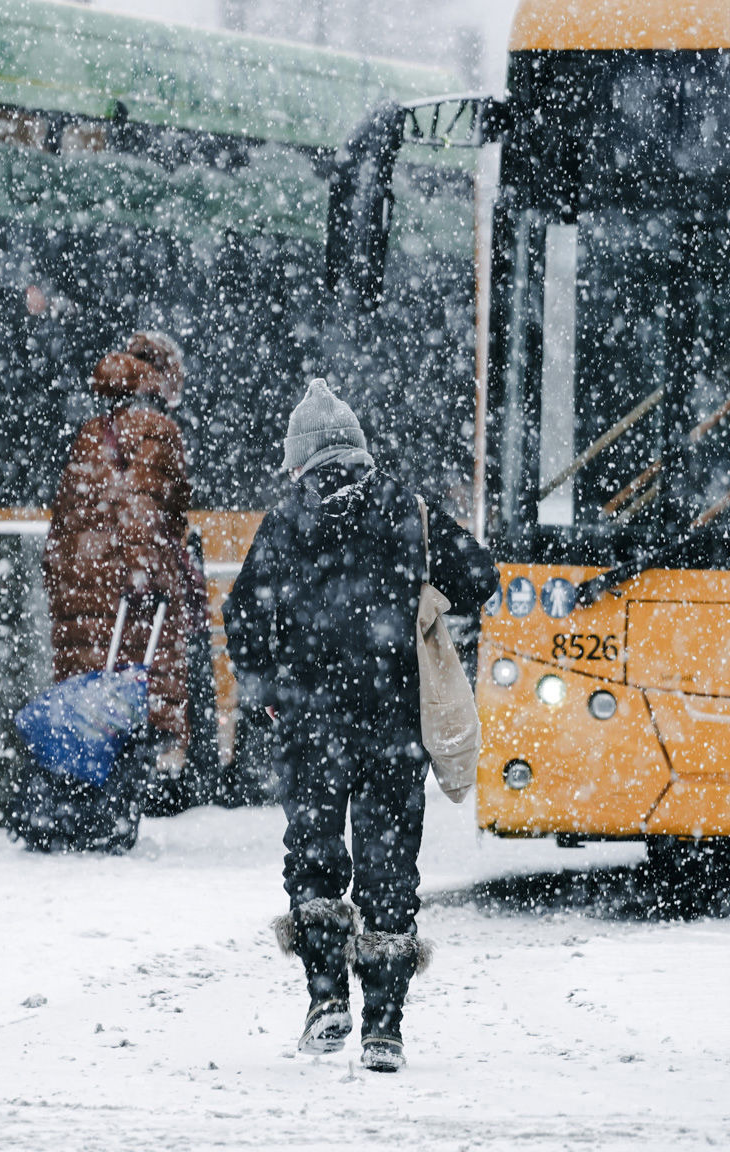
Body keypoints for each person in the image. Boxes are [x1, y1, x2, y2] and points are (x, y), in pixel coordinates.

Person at [223, 379, 497, 1072]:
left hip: (311, 724)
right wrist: (425, 592)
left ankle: (326, 1002)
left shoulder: (287, 517)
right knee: (389, 870)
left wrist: (266, 694)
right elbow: (481, 578)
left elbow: (242, 613)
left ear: (302, 458)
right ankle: (386, 1029)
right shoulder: (411, 507)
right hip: (393, 724)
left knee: (314, 860)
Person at [33, 331, 205, 852]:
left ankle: (81, 809)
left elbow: (70, 516)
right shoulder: (157, 432)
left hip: (81, 586)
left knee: (93, 704)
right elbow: (145, 510)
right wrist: (147, 575)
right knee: (130, 703)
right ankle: (112, 820)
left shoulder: (92, 431)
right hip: (125, 591)